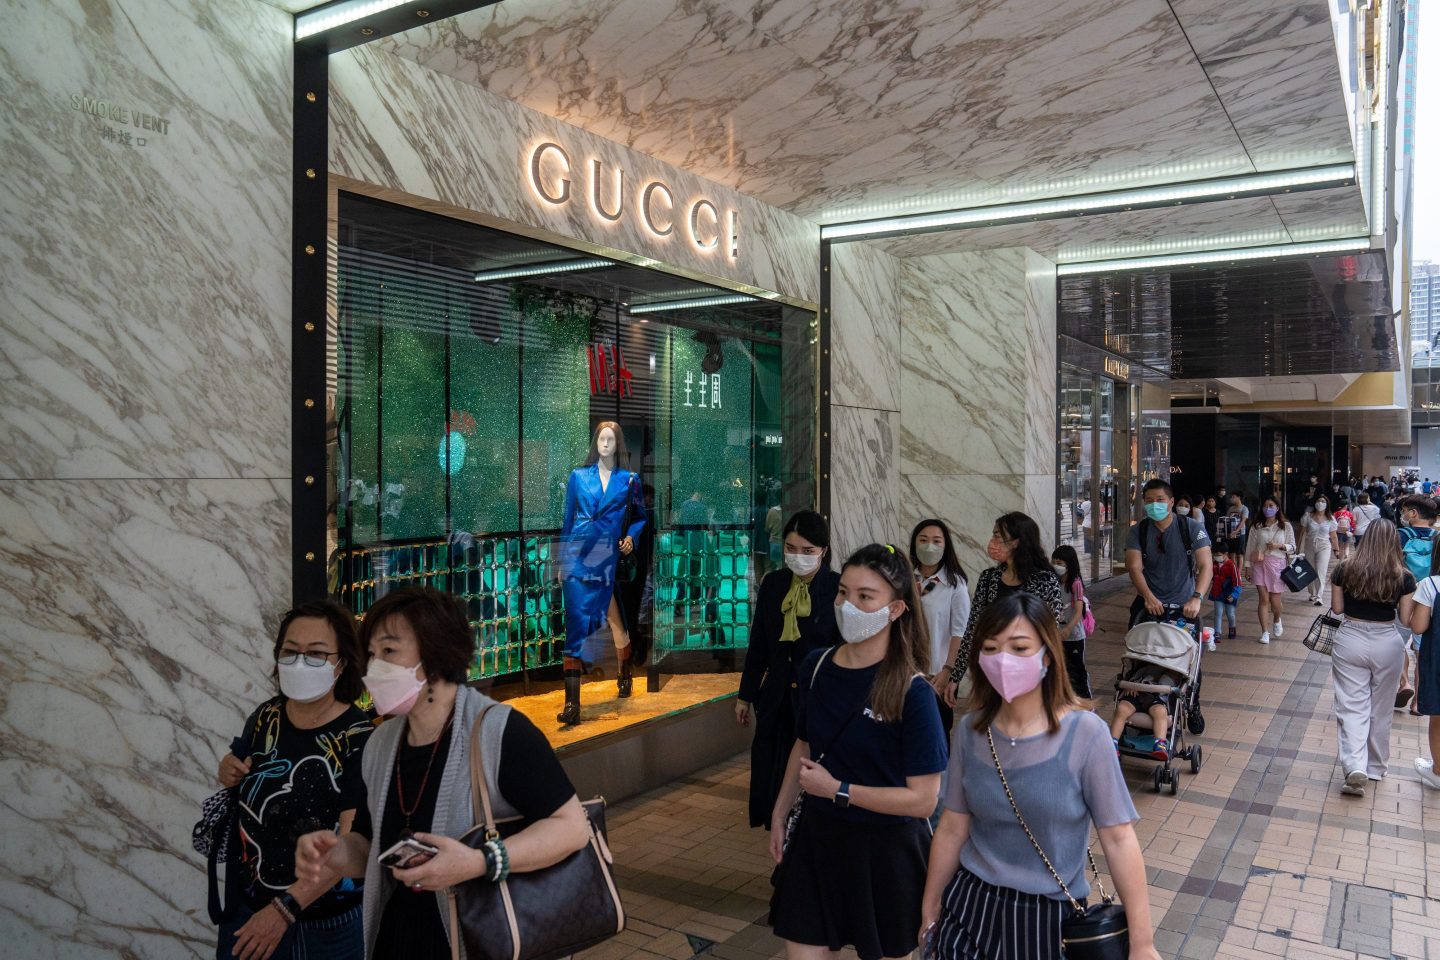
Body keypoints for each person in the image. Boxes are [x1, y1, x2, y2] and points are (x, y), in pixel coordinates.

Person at [294, 586, 591, 959]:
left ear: (434, 656)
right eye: (371, 655)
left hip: (482, 941)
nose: (374, 669)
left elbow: (572, 827)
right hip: (397, 941)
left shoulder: (501, 732)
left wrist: (481, 860)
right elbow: (370, 846)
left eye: (389, 651)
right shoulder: (380, 744)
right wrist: (335, 853)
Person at [921, 594, 1159, 960]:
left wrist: (1142, 944)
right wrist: (931, 905)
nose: (1003, 660)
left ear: (1047, 655)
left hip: (1046, 920)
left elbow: (1118, 838)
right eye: (991, 648)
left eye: (1019, 647)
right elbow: (953, 826)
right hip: (969, 906)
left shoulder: (1086, 734)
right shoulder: (970, 730)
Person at [768, 544, 947, 960]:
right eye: (844, 593)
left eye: (866, 596)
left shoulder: (913, 692)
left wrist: (839, 790)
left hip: (887, 854)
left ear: (897, 609)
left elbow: (923, 800)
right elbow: (804, 745)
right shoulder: (816, 666)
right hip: (817, 842)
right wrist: (780, 812)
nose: (849, 605)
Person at [215, 601, 373, 960]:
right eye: (290, 651)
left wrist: (284, 910)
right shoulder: (266, 715)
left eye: (316, 654)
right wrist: (229, 770)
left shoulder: (358, 738)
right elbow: (243, 774)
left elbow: (352, 843)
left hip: (322, 925)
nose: (300, 662)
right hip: (247, 908)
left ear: (342, 663)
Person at [737, 511, 843, 828]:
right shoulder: (774, 583)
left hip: (817, 698)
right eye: (791, 548)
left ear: (823, 550)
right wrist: (745, 695)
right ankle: (775, 820)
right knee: (772, 763)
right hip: (777, 695)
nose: (798, 557)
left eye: (807, 550)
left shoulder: (837, 588)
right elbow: (758, 645)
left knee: (809, 768)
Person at [1327, 522, 1416, 797]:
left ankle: (1355, 766)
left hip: (1350, 637)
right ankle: (1375, 766)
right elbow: (1405, 619)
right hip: (1387, 641)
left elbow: (1338, 608)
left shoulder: (1344, 568)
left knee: (1351, 705)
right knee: (1381, 706)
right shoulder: (1404, 577)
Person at [948, 512, 1066, 699]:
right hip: (994, 671)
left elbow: (1051, 632)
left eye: (997, 535)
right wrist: (955, 676)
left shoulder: (1045, 580)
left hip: (1030, 672)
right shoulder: (989, 578)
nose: (992, 541)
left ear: (1016, 542)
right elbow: (973, 628)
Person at [1125, 479, 1213, 628]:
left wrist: (1196, 598)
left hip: (1184, 607)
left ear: (1171, 502)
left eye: (1160, 500)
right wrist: (1148, 596)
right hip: (1148, 605)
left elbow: (1206, 566)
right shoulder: (1138, 531)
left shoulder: (1192, 527)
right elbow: (1134, 567)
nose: (1154, 504)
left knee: (1184, 648)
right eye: (1149, 501)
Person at [910, 519, 972, 732]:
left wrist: (948, 671)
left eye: (937, 541)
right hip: (905, 670)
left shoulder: (955, 585)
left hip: (936, 675)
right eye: (923, 540)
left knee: (935, 733)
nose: (929, 546)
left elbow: (960, 633)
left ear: (946, 547)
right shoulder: (904, 578)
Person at [1395, 495, 1438, 709]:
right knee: (1422, 651)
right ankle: (1417, 703)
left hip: (1402, 595)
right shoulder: (1438, 537)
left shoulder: (1401, 535)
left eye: (1405, 511)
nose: (1403, 515)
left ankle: (1404, 682)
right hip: (1429, 598)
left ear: (1413, 513)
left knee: (1397, 643)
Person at [1243, 496, 1294, 645]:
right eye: (1265, 505)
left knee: (1275, 601)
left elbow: (1293, 547)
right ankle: (1265, 632)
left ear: (1277, 508)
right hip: (1259, 563)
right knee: (1263, 599)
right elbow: (1250, 547)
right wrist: (1247, 567)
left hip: (1278, 565)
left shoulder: (1285, 526)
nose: (1268, 508)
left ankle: (1277, 619)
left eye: (1271, 505)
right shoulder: (1256, 526)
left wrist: (1280, 546)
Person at [1409, 546, 1440, 789]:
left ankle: (1438, 770)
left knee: (1438, 718)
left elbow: (1418, 627)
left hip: (1437, 661)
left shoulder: (1431, 584)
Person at [1050, 545, 1093, 697]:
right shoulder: (1052, 582)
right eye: (1054, 562)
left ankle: (1086, 702)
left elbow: (1078, 611)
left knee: (1077, 670)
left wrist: (1068, 629)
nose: (1056, 566)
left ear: (1070, 564)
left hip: (1074, 636)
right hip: (1057, 635)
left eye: (1060, 563)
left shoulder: (1075, 583)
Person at [1300, 497, 1340, 607]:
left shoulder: (1330, 519)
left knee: (1321, 571)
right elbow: (1302, 533)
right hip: (1309, 545)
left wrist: (1336, 550)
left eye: (1323, 501)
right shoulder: (1308, 516)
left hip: (1324, 546)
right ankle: (1312, 593)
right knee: (1310, 570)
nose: (1320, 503)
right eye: (1318, 501)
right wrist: (1299, 548)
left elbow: (1333, 535)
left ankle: (1319, 596)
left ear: (1327, 504)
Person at [1208, 544, 1241, 642]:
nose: (1216, 557)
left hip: (1230, 593)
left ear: (1225, 554)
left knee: (1230, 614)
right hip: (1218, 592)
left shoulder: (1232, 565)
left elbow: (1237, 582)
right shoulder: (1214, 564)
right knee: (1218, 613)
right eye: (1215, 555)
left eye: (1218, 554)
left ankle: (1232, 628)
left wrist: (1234, 594)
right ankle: (1217, 633)